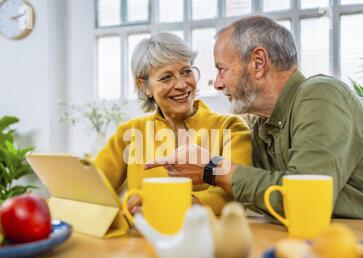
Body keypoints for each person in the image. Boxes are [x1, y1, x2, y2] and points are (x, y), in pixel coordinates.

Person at [146, 16, 363, 220]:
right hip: (328, 245)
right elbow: (246, 185)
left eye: (222, 70)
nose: (219, 84)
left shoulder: (321, 94)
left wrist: (214, 168)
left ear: (258, 62)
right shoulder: (260, 126)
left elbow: (304, 202)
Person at [95, 32, 252, 215]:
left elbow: (241, 189)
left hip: (208, 237)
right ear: (144, 86)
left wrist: (181, 204)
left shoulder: (230, 128)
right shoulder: (129, 133)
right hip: (145, 237)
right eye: (166, 77)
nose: (181, 85)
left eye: (186, 72)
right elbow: (93, 189)